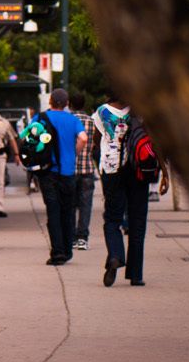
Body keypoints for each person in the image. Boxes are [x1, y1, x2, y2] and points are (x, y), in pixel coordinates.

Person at [98, 100, 171, 286]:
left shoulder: (101, 112)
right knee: (137, 223)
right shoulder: (143, 111)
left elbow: (95, 143)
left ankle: (115, 255)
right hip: (139, 171)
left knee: (112, 219)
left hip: (112, 171)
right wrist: (164, 173)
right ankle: (135, 275)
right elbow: (156, 143)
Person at [38, 89, 85, 265]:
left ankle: (57, 252)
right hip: (68, 172)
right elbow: (84, 138)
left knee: (53, 212)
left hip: (48, 172)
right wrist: (73, 153)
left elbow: (27, 137)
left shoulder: (41, 118)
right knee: (68, 210)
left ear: (50, 101)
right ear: (66, 103)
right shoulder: (73, 120)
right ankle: (67, 249)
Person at [72, 113, 97, 250]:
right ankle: (82, 238)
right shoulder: (92, 122)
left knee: (70, 205)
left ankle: (71, 237)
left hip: (71, 169)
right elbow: (96, 143)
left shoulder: (69, 120)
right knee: (85, 205)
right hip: (87, 168)